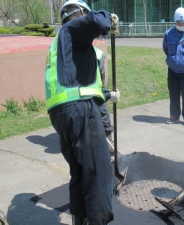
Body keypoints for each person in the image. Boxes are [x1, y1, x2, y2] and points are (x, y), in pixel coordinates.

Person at [44, 0, 120, 224]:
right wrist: (110, 19)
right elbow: (98, 20)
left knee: (79, 174)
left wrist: (106, 95)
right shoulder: (72, 29)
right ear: (80, 14)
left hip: (63, 116)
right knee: (98, 175)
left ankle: (80, 221)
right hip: (81, 112)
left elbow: (76, 84)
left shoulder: (59, 44)